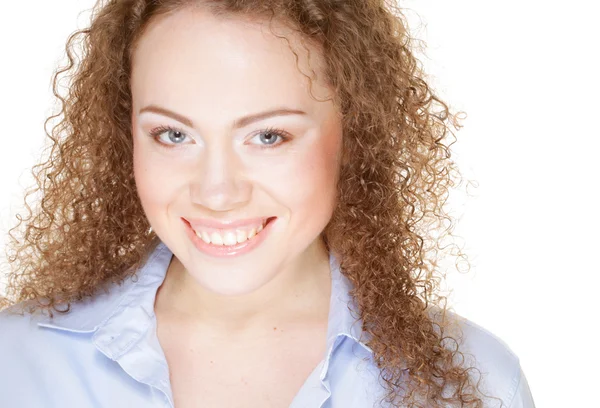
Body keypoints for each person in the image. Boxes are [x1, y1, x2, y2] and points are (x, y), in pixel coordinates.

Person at [0, 1, 535, 407]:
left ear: (354, 134)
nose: (216, 191)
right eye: (172, 135)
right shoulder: (17, 363)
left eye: (269, 136)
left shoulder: (469, 382)